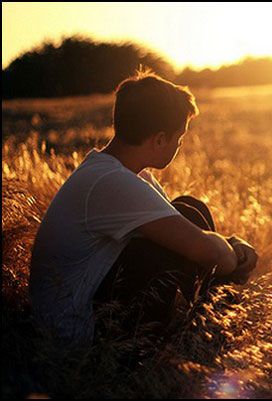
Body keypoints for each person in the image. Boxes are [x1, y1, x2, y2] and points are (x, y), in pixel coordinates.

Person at [28, 70, 258, 348]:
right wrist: (235, 255)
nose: (180, 145)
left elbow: (185, 229)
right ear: (160, 139)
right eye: (179, 137)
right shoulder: (111, 182)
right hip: (72, 334)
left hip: (89, 306)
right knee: (174, 243)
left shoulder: (125, 174)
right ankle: (199, 337)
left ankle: (208, 328)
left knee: (188, 210)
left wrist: (230, 246)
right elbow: (209, 252)